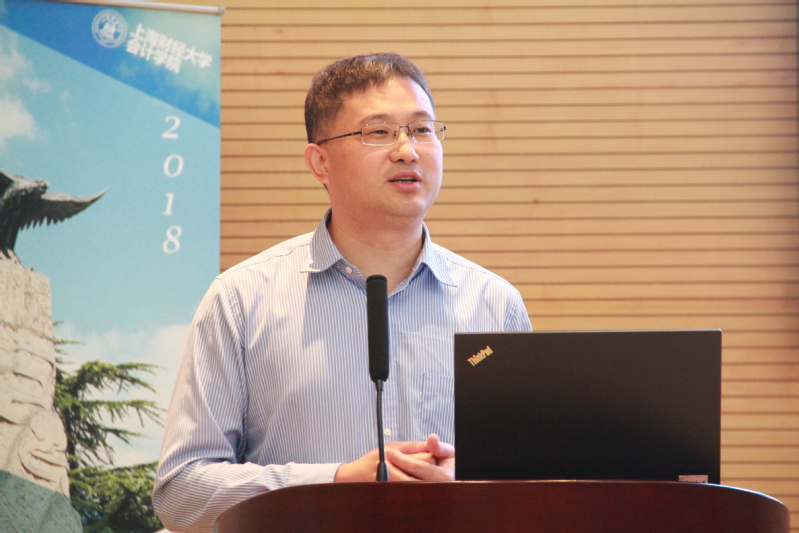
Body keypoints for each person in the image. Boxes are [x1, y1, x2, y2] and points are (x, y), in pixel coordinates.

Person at [153, 53, 532, 533]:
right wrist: (335, 481)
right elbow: (181, 492)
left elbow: (534, 483)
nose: (407, 150)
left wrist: (471, 482)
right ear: (320, 162)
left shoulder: (495, 304)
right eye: (379, 132)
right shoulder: (242, 299)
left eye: (422, 129)